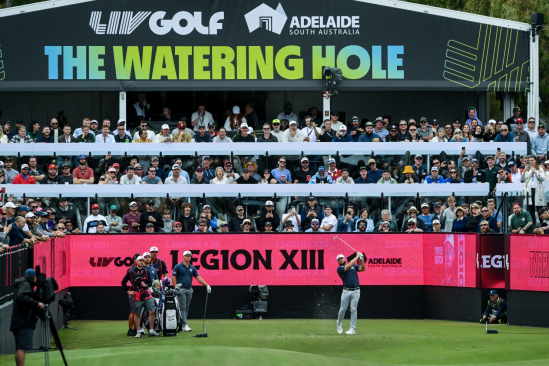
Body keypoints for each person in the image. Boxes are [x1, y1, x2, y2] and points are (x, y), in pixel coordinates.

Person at [10, 268, 45, 366]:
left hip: (20, 320)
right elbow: (22, 297)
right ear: (34, 277)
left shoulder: (22, 284)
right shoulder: (25, 285)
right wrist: (37, 304)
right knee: (21, 347)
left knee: (21, 347)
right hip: (23, 321)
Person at [172, 251, 211, 332]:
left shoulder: (192, 268)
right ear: (183, 256)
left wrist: (206, 285)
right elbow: (173, 277)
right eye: (186, 256)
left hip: (189, 289)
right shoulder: (178, 266)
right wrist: (175, 287)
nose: (187, 257)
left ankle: (183, 324)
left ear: (191, 257)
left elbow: (198, 278)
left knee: (186, 308)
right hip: (181, 289)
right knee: (183, 308)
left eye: (189, 256)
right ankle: (185, 325)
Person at [121, 256, 160, 338]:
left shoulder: (146, 271)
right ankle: (138, 331)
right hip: (137, 294)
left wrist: (145, 285)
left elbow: (150, 282)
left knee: (152, 311)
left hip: (146, 293)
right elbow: (123, 282)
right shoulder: (131, 272)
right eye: (140, 260)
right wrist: (128, 291)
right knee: (136, 313)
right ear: (136, 262)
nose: (142, 262)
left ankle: (151, 330)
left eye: (143, 261)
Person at [336, 252, 365, 335]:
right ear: (338, 262)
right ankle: (339, 323)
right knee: (343, 309)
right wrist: (357, 256)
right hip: (346, 291)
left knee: (353, 309)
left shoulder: (354, 266)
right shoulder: (340, 268)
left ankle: (352, 329)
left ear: (345, 259)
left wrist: (361, 259)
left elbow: (362, 268)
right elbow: (348, 266)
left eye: (341, 258)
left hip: (356, 290)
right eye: (339, 259)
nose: (340, 260)